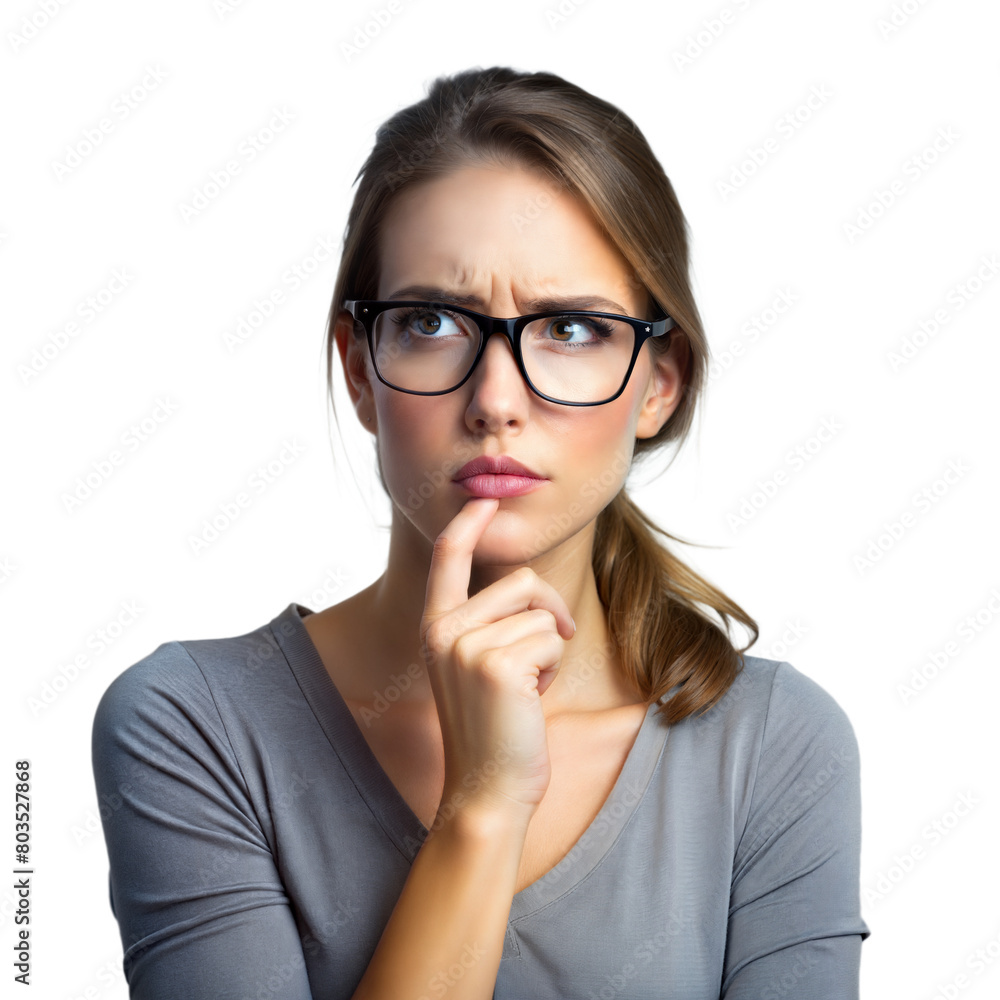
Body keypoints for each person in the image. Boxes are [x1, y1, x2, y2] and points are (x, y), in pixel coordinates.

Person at [92, 66, 870, 999]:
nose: (496, 401)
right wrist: (483, 807)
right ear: (359, 370)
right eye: (431, 322)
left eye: (572, 329)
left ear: (659, 382)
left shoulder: (774, 746)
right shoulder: (193, 724)